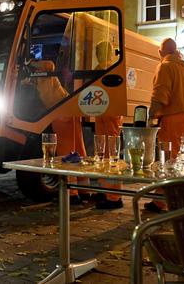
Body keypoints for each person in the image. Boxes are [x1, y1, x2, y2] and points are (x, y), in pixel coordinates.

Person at [27, 60, 90, 204]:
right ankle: (84, 190)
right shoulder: (40, 78)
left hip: (62, 112)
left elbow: (49, 64)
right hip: (67, 110)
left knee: (67, 154)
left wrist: (30, 62)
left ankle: (71, 194)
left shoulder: (46, 72)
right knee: (78, 152)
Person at [147, 38, 184, 212]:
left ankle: (164, 201)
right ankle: (173, 198)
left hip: (173, 118)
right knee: (182, 159)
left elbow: (160, 94)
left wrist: (150, 115)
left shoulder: (165, 66)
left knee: (168, 160)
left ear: (161, 52)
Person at [93, 41, 124, 209]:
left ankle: (112, 196)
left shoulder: (100, 68)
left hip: (103, 113)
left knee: (105, 155)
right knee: (111, 154)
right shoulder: (115, 67)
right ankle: (109, 193)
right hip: (112, 113)